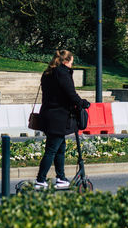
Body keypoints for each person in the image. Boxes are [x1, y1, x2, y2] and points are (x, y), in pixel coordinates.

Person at [36, 50, 90, 189]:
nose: (72, 65)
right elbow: (70, 93)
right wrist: (82, 103)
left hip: (48, 115)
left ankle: (61, 178)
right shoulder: (62, 73)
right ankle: (40, 180)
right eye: (72, 62)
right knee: (52, 149)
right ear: (66, 61)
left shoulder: (48, 73)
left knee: (60, 147)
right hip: (58, 117)